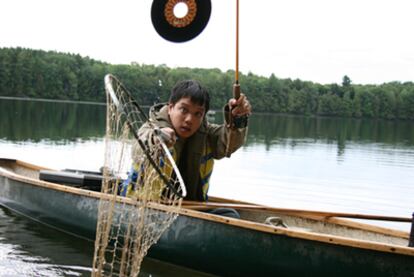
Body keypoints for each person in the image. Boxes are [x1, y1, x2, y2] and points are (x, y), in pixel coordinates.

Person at [122, 80, 251, 216]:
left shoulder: (207, 134)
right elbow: (138, 148)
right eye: (184, 110)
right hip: (143, 209)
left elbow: (228, 144)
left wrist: (238, 119)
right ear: (171, 107)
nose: (189, 119)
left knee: (230, 215)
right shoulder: (151, 127)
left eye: (198, 114)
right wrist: (158, 139)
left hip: (189, 211)